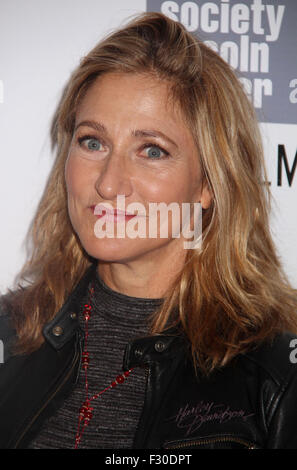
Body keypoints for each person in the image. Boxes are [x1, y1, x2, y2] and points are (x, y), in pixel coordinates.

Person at [1, 11, 297, 450]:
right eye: (93, 142)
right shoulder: (12, 331)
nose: (107, 183)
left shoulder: (275, 372)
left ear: (208, 186)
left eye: (151, 150)